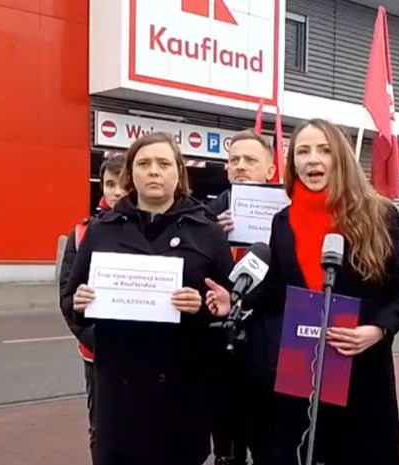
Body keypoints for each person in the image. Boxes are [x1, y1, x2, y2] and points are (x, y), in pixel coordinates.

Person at [242, 118, 399, 465]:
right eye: (303, 151)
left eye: (324, 150)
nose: (313, 159)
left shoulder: (379, 214)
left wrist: (377, 330)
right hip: (301, 370)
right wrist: (237, 296)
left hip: (361, 369)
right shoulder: (282, 221)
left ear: (341, 158)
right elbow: (277, 290)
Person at [59, 132, 236, 465]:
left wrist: (205, 308)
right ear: (131, 174)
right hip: (119, 387)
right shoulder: (102, 229)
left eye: (163, 163)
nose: (154, 171)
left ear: (178, 173)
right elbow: (70, 298)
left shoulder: (208, 232)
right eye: (144, 163)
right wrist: (90, 323)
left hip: (182, 388)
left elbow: (228, 304)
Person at [206, 129, 277, 465]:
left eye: (250, 159)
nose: (240, 166)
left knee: (268, 444)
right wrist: (211, 237)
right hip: (221, 348)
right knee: (226, 447)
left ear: (270, 170)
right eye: (234, 160)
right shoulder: (207, 215)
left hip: (268, 346)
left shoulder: (289, 213)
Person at [58, 152, 126, 463]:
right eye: (110, 184)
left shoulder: (157, 229)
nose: (116, 192)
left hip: (147, 352)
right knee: (102, 426)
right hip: (98, 352)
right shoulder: (83, 233)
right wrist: (94, 338)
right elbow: (68, 296)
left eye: (123, 184)